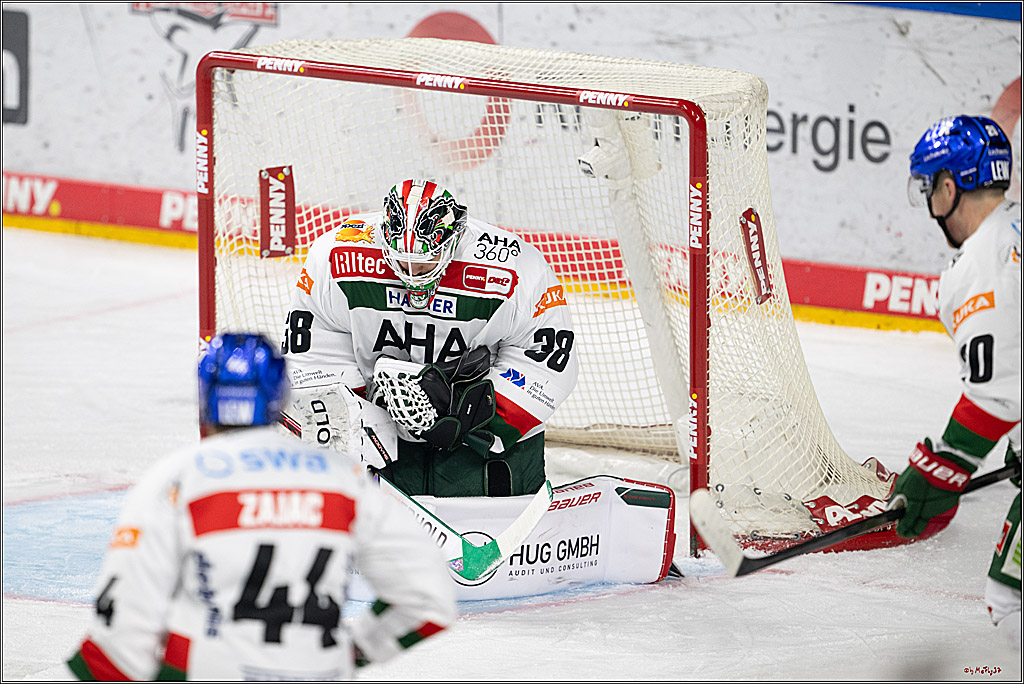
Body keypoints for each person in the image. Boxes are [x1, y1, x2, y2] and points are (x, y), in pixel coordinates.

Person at [66, 333, 456, 680]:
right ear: (278, 398)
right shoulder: (344, 479)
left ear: (206, 398)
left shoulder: (178, 478)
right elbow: (427, 598)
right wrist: (347, 654)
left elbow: (120, 636)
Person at [281, 179, 579, 498]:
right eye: (402, 258)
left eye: (425, 259)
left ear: (454, 239)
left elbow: (546, 357)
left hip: (483, 452)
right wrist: (354, 417)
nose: (413, 270)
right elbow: (313, 349)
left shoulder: (513, 264)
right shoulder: (336, 256)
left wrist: (476, 415)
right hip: (380, 443)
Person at [891, 115, 1021, 645]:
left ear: (950, 187)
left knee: (1009, 598)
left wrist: (940, 472)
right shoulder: (1014, 230)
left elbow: (996, 397)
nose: (928, 203)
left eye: (930, 186)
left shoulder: (982, 270)